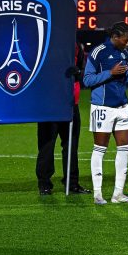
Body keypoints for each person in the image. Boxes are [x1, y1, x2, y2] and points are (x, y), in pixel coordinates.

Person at [83, 22, 128, 205]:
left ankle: (118, 194)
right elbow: (87, 80)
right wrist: (110, 72)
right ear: (115, 37)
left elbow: (124, 82)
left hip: (122, 106)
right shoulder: (98, 52)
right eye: (126, 40)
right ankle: (98, 194)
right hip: (102, 107)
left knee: (124, 149)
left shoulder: (123, 53)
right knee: (100, 149)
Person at [36, 42, 87, 195]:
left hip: (71, 103)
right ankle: (44, 183)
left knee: (71, 145)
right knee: (47, 146)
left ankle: (72, 183)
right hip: (49, 104)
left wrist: (78, 72)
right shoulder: (45, 43)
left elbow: (82, 73)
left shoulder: (77, 46)